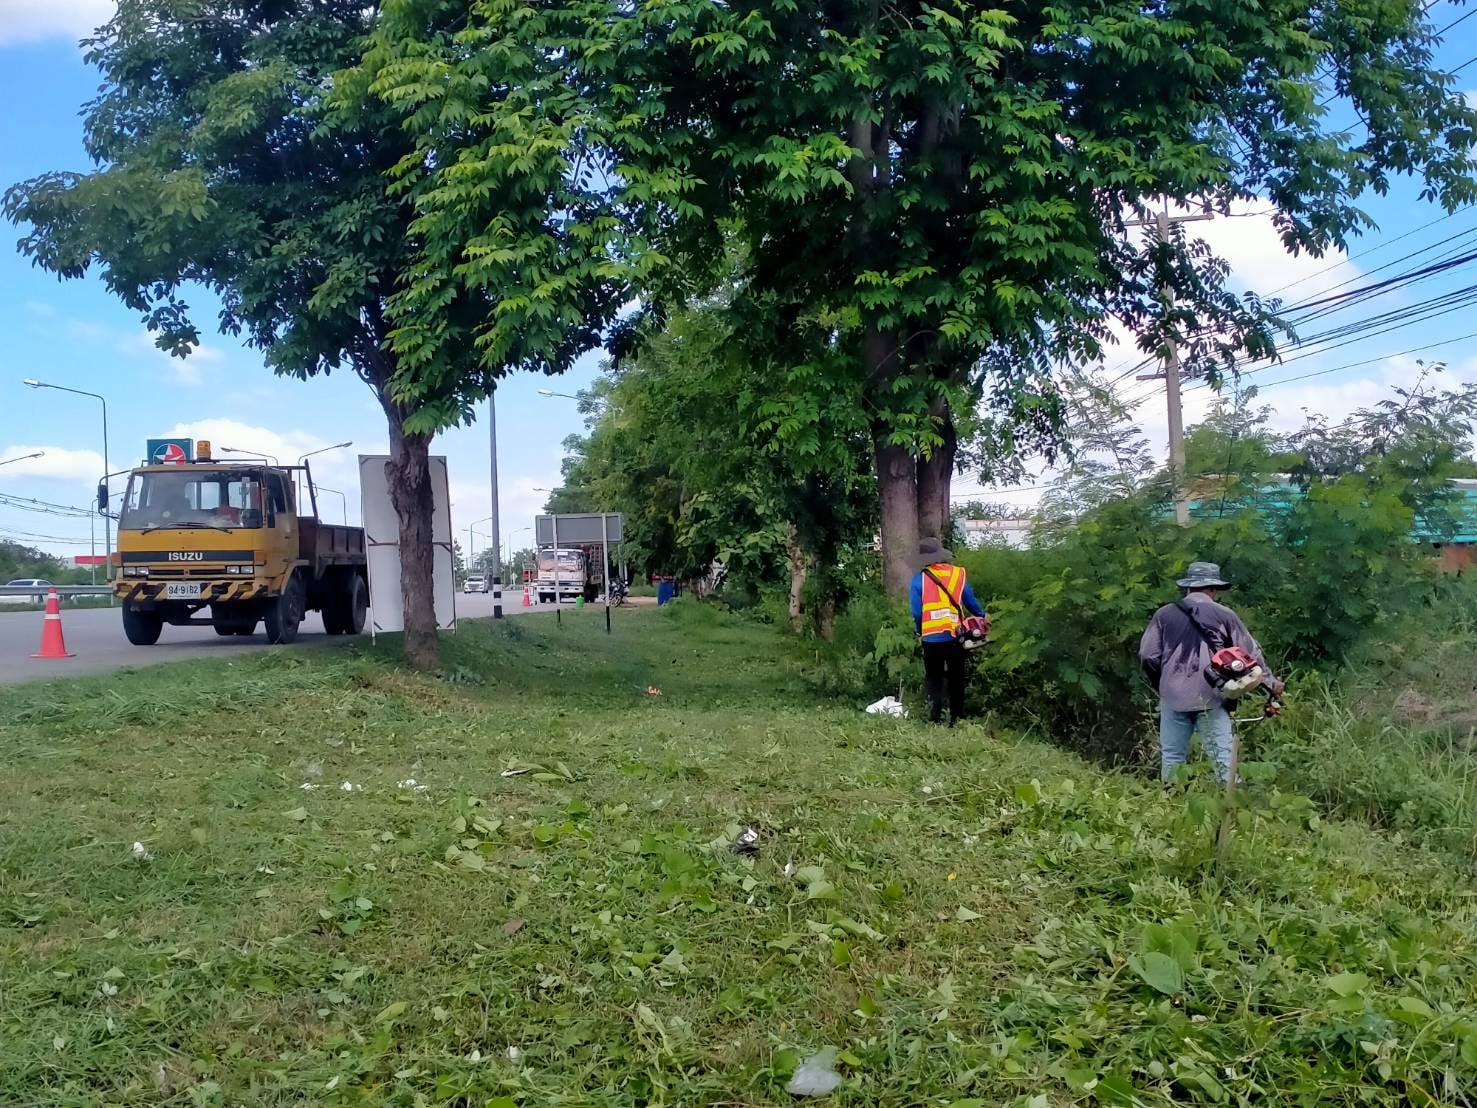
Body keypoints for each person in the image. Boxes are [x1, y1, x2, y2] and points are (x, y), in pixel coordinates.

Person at [1139, 561, 1282, 782]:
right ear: (1213, 589)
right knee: (1223, 759)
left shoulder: (1163, 615)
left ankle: (1171, 801)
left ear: (1188, 587)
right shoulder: (1225, 615)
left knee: (1172, 757)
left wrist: (1164, 686)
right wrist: (1271, 684)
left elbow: (1148, 655)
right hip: (1212, 697)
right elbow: (1250, 654)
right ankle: (1230, 801)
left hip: (1172, 698)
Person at [908, 538, 987, 725]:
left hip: (931, 638)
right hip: (956, 636)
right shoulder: (957, 575)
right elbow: (970, 601)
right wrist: (982, 616)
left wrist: (920, 631)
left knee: (934, 678)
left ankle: (934, 719)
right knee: (956, 678)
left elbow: (917, 613)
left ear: (923, 559)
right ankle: (957, 719)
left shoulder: (918, 581)